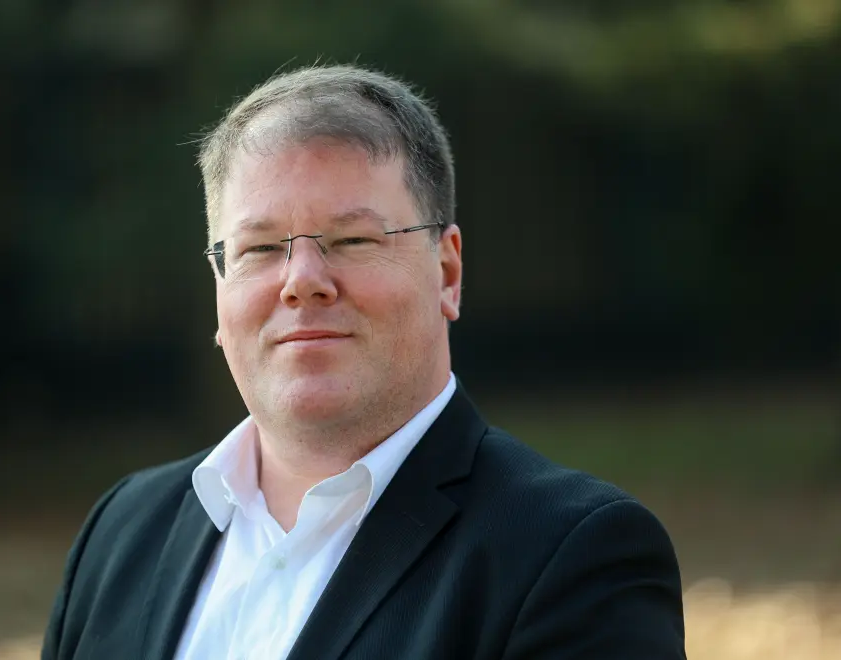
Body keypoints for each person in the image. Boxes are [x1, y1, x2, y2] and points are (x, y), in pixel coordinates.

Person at [41, 64, 686, 660]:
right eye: (261, 248)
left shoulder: (573, 556)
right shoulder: (120, 534)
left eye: (351, 240)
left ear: (448, 272)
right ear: (218, 285)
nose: (302, 281)